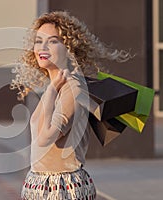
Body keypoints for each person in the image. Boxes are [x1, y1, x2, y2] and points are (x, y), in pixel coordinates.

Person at [10, 11, 130, 199]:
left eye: (53, 41)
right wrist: (51, 90)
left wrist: (50, 92)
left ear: (69, 47)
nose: (43, 47)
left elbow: (45, 139)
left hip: (63, 188)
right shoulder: (56, 84)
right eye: (39, 41)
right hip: (42, 185)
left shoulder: (73, 86)